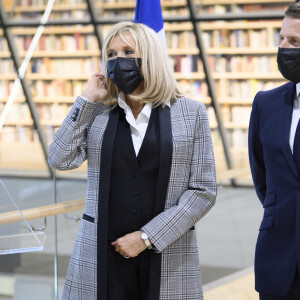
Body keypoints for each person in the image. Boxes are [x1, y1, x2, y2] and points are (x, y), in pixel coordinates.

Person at [49, 21, 216, 300]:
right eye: (111, 55)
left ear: (151, 56)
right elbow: (60, 158)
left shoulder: (191, 113)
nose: (118, 60)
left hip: (167, 252)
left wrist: (146, 237)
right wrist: (86, 100)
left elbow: (203, 190)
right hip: (100, 257)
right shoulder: (98, 111)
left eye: (128, 51)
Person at [248, 3, 300, 300]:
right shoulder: (266, 103)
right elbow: (263, 180)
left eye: (294, 42)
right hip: (277, 260)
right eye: (281, 39)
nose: (284, 48)